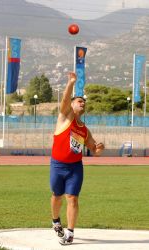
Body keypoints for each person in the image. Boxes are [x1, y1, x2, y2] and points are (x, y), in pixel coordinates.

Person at [50, 72, 104, 245]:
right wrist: (71, 82)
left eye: (84, 102)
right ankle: (55, 220)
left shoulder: (85, 130)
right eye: (79, 101)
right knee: (56, 196)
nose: (82, 103)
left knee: (72, 198)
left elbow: (94, 150)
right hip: (57, 166)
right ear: (72, 105)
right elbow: (65, 101)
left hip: (75, 167)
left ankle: (70, 233)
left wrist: (98, 148)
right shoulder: (65, 118)